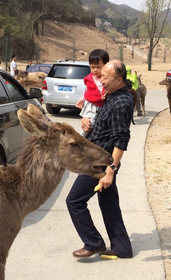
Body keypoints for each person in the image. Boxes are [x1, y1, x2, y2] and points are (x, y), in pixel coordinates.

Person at [66, 60, 134, 259]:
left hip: (101, 163)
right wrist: (86, 119)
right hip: (100, 158)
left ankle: (93, 243)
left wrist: (109, 171)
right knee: (109, 203)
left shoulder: (121, 103)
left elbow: (121, 141)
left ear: (119, 79)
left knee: (74, 201)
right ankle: (122, 248)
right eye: (100, 75)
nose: (100, 79)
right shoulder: (113, 95)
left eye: (105, 77)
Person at [75, 49, 109, 136]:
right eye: (92, 67)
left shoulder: (108, 79)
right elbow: (87, 90)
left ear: (106, 66)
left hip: (102, 106)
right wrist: (82, 100)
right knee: (90, 123)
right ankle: (82, 137)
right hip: (91, 106)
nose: (95, 70)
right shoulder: (90, 79)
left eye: (98, 67)